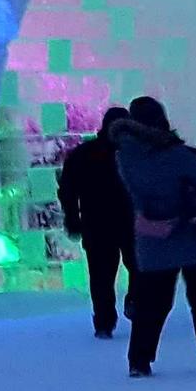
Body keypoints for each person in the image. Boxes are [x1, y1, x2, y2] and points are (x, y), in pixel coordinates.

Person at [109, 96, 196, 376]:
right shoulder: (177, 155)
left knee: (152, 303)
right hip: (191, 235)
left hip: (152, 240)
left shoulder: (124, 156)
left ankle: (139, 360)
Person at [55, 112, 135, 339]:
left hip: (96, 223)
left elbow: (68, 191)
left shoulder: (83, 154)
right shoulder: (132, 153)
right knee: (138, 269)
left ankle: (104, 322)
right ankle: (134, 303)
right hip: (130, 222)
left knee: (101, 277)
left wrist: (72, 218)